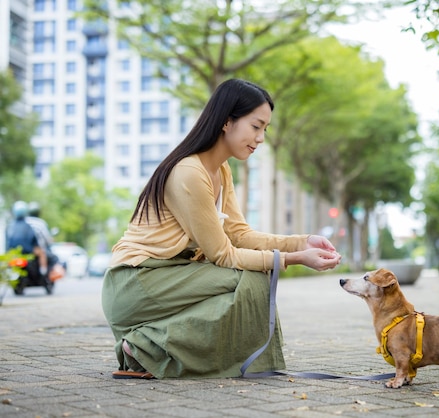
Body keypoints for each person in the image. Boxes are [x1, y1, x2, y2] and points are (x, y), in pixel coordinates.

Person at [102, 78, 342, 379]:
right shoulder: (189, 172)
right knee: (253, 281)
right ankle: (145, 348)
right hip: (137, 281)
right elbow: (223, 255)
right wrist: (295, 260)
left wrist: (303, 242)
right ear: (227, 122)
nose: (261, 138)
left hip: (169, 275)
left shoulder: (221, 171)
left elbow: (240, 235)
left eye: (265, 129)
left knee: (255, 282)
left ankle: (148, 348)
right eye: (256, 126)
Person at [5, 201, 47, 277]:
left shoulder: (10, 225)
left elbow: (7, 242)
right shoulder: (28, 225)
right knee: (42, 252)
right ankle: (43, 271)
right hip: (28, 251)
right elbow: (34, 239)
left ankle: (8, 271)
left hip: (13, 252)